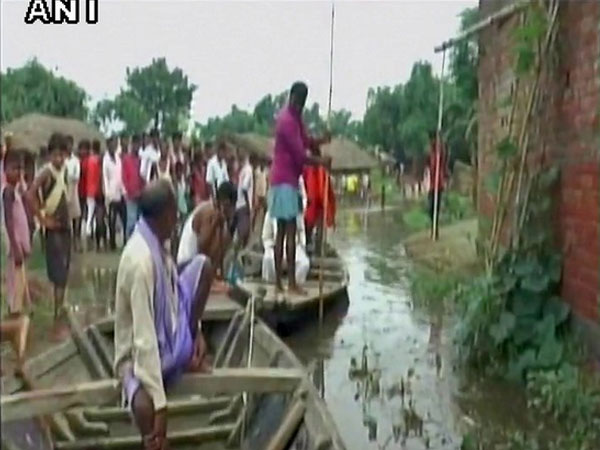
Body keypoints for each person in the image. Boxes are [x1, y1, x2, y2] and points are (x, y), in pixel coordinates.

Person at [114, 180, 214, 450]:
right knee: (144, 404)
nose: (178, 218)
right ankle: (154, 442)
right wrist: (160, 406)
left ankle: (186, 353)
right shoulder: (140, 262)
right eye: (174, 212)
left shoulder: (158, 242)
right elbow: (143, 339)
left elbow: (174, 293)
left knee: (203, 267)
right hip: (138, 351)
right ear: (165, 215)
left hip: (168, 331)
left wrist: (196, 331)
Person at [268, 81, 331, 295]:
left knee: (285, 231)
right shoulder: (286, 120)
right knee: (287, 231)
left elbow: (306, 141)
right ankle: (287, 283)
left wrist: (321, 140)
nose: (301, 106)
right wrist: (321, 162)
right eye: (300, 102)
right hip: (284, 180)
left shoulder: (296, 119)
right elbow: (300, 154)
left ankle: (282, 283)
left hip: (287, 181)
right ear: (292, 97)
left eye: (304, 103)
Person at [25, 133, 71, 340]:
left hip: (65, 226)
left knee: (64, 270)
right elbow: (30, 194)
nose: (59, 159)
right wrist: (43, 219)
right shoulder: (46, 173)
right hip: (53, 229)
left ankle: (60, 309)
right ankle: (57, 313)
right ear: (50, 155)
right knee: (58, 272)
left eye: (62, 155)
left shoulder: (65, 171)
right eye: (56, 155)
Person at [176, 181, 237, 282]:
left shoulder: (223, 220)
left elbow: (219, 254)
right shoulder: (208, 211)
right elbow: (202, 247)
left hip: (200, 268)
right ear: (224, 203)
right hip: (187, 266)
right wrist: (215, 223)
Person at [262, 180, 309, 286]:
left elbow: (301, 232)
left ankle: (294, 283)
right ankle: (273, 284)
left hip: (295, 248)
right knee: (267, 260)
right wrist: (269, 246)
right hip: (275, 248)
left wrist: (301, 246)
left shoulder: (297, 213)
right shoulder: (271, 212)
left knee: (304, 263)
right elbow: (266, 236)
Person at [3, 151, 32, 317]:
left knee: (20, 279)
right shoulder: (7, 192)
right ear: (5, 170)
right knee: (15, 280)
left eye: (20, 169)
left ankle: (19, 308)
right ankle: (14, 311)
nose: (18, 172)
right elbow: (9, 221)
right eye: (14, 169)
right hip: (15, 244)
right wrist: (15, 246)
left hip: (20, 242)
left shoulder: (16, 191)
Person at [303, 147, 336, 253]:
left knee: (319, 229)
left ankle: (317, 247)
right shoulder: (307, 169)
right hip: (309, 203)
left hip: (320, 204)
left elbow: (328, 192)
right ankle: (308, 244)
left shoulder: (322, 171)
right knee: (308, 226)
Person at [103, 136, 125, 250]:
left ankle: (125, 239)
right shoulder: (106, 160)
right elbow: (105, 177)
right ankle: (112, 243)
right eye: (112, 144)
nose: (114, 146)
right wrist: (107, 193)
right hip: (111, 192)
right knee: (112, 219)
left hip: (120, 191)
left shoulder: (118, 157)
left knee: (124, 217)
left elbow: (120, 174)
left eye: (116, 144)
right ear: (108, 145)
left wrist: (123, 190)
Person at [122, 134, 144, 240]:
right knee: (131, 221)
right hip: (131, 195)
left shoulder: (141, 160)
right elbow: (124, 178)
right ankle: (129, 242)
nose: (137, 147)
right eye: (136, 144)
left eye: (139, 144)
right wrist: (129, 191)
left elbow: (143, 176)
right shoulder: (126, 159)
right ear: (132, 144)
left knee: (140, 221)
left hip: (141, 195)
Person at [427, 131, 448, 236]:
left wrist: (440, 139)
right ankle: (433, 226)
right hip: (432, 185)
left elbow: (443, 155)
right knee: (430, 208)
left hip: (438, 184)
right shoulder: (431, 155)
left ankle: (435, 229)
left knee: (436, 207)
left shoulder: (439, 154)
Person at [65, 136, 82, 251]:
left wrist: (70, 178)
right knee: (66, 216)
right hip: (64, 187)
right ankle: (68, 241)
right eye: (67, 145)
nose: (69, 147)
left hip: (73, 187)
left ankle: (76, 239)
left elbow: (77, 175)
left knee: (76, 215)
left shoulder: (75, 160)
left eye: (70, 144)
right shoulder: (63, 159)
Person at [233, 150, 253, 248]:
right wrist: (248, 205)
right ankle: (237, 252)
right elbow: (245, 188)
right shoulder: (248, 170)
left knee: (242, 231)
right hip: (244, 205)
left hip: (239, 203)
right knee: (243, 231)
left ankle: (239, 251)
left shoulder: (243, 170)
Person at [84, 140, 102, 238]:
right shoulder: (98, 160)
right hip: (96, 189)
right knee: (93, 211)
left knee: (90, 210)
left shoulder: (89, 160)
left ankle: (89, 229)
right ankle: (90, 229)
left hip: (89, 188)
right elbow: (98, 176)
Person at [77, 140, 90, 246]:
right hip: (79, 192)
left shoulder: (89, 162)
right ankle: (77, 237)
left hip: (88, 192)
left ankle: (88, 236)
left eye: (85, 149)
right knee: (79, 216)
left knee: (87, 215)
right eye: (81, 149)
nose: (83, 151)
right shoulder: (77, 162)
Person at [252, 161, 268, 232]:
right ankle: (252, 227)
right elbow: (254, 182)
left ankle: (263, 227)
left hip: (264, 193)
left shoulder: (266, 171)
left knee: (265, 211)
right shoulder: (256, 171)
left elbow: (267, 181)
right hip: (257, 194)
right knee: (256, 211)